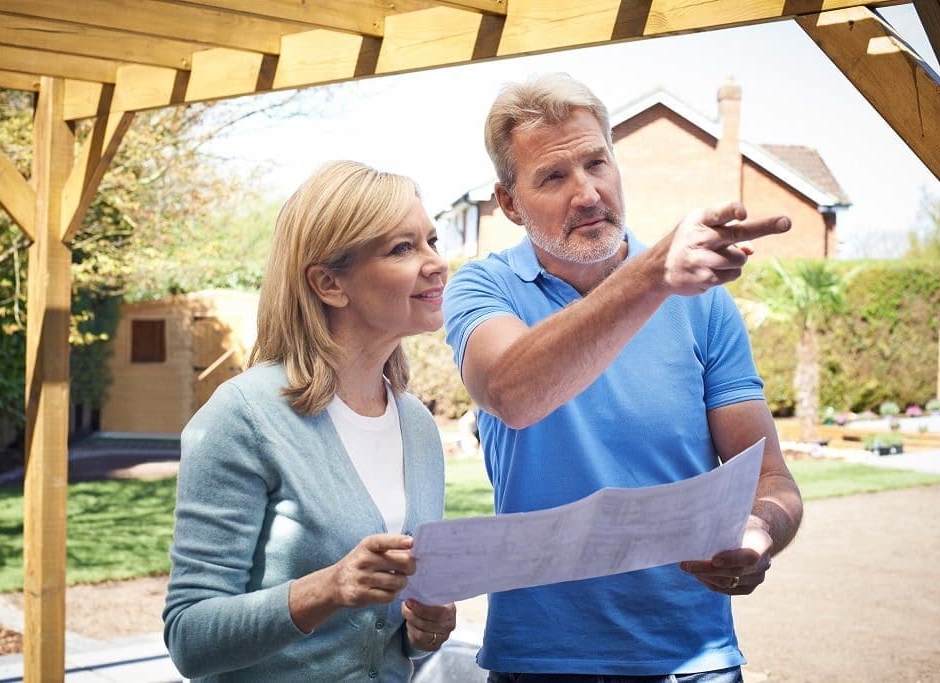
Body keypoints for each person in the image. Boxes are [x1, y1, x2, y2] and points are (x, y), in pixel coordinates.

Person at [443, 73, 804, 681]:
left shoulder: (704, 301)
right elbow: (512, 391)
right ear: (509, 203)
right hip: (541, 659)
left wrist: (759, 529)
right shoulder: (484, 288)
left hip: (694, 659)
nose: (586, 193)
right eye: (553, 177)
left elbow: (771, 477)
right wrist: (655, 273)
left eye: (596, 163)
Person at [164, 160, 457, 681]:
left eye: (432, 240)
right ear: (328, 284)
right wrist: (328, 588)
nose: (436, 263)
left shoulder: (417, 426)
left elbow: (386, 639)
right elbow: (189, 636)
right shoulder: (244, 416)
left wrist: (420, 632)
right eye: (402, 248)